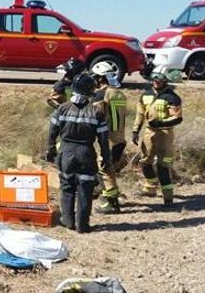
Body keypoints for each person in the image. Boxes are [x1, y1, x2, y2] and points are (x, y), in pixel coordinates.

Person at [46, 73, 111, 233]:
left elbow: (52, 132)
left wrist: (50, 149)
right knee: (85, 188)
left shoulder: (62, 109)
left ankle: (67, 221)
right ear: (90, 92)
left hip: (66, 152)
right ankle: (82, 224)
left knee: (67, 186)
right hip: (86, 154)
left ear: (73, 89)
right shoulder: (96, 112)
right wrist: (106, 159)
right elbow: (103, 139)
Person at [131, 65, 183, 206]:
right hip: (148, 133)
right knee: (144, 162)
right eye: (154, 78)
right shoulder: (146, 95)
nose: (156, 81)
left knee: (163, 165)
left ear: (166, 80)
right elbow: (140, 114)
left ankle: (168, 197)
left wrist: (160, 123)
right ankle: (150, 188)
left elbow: (178, 118)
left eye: (159, 78)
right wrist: (135, 130)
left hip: (165, 134)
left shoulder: (172, 97)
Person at [90, 62, 128, 214]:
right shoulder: (120, 94)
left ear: (100, 78)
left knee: (105, 170)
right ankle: (113, 197)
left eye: (95, 77)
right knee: (110, 169)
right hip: (120, 138)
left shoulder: (101, 95)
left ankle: (111, 203)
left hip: (108, 140)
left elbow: (96, 117)